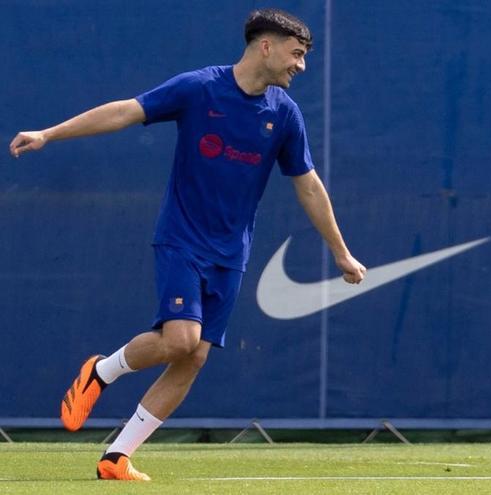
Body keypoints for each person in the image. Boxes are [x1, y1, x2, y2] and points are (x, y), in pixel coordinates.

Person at [8, 8, 365, 481]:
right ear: (266, 45)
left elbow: (308, 184)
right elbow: (125, 111)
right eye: (296, 54)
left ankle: (117, 458)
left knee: (192, 356)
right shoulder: (199, 88)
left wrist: (340, 251)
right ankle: (102, 370)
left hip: (231, 253)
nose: (300, 65)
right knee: (182, 339)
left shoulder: (284, 114)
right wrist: (50, 133)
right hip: (182, 238)